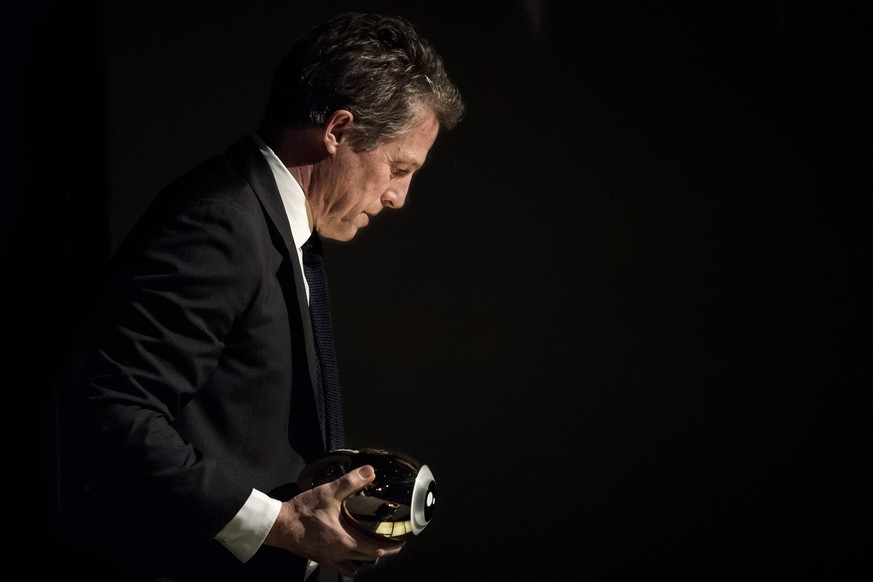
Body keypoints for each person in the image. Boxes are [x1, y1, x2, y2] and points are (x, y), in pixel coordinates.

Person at [52, 11, 464, 582]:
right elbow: (109, 412)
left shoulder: (270, 220)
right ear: (338, 131)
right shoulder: (220, 223)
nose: (399, 197)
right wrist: (278, 524)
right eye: (398, 167)